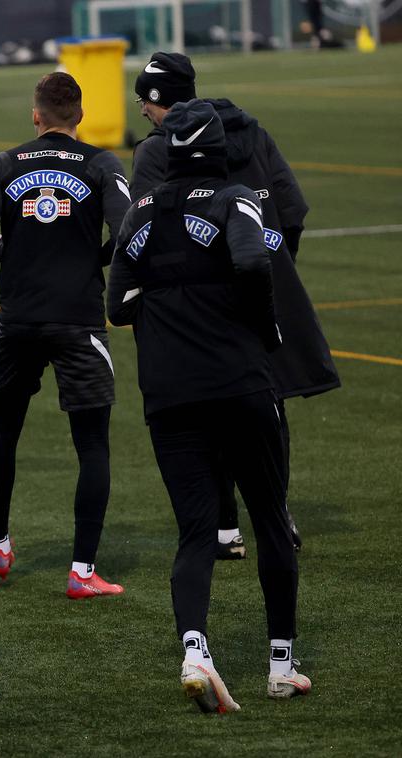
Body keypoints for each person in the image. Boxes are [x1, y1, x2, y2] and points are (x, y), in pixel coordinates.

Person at [109, 99, 312, 713]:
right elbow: (254, 260)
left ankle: (196, 650)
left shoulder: (140, 211)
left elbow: (117, 307)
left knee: (196, 532)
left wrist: (165, 305)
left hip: (169, 392)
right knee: (270, 520)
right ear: (218, 148)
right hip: (240, 382)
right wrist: (249, 319)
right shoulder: (236, 198)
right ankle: (281, 662)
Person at [132, 51, 338, 558]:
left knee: (206, 410)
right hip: (264, 287)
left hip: (196, 304)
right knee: (265, 400)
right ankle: (275, 510)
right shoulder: (252, 130)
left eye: (145, 100)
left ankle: (224, 526)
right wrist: (271, 267)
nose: (141, 111)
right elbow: (292, 209)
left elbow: (139, 230)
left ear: (161, 101)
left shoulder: (158, 151)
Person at [0, 72, 130, 598]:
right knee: (93, 445)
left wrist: (9, 258)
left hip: (17, 321)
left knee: (5, 430)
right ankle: (82, 573)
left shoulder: (5, 163)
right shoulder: (103, 163)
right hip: (78, 320)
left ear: (35, 116)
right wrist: (91, 259)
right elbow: (128, 231)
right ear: (80, 115)